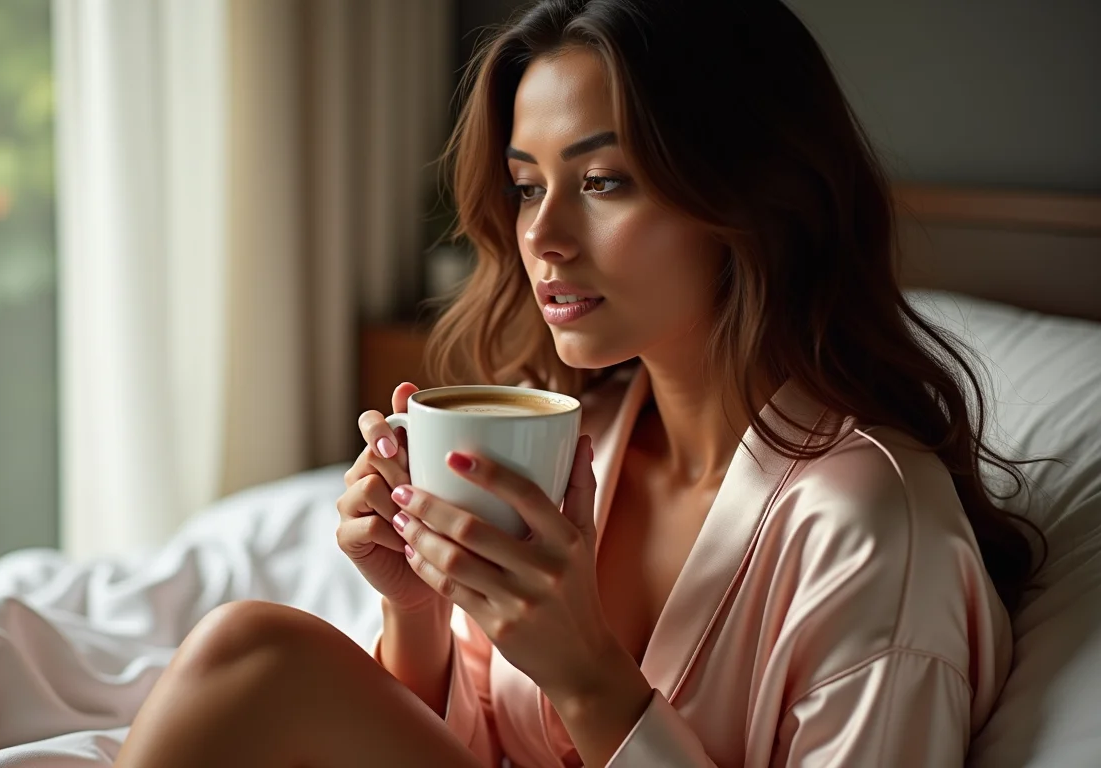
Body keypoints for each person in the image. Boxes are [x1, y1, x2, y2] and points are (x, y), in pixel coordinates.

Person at [115, 1, 1043, 765]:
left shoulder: (873, 526)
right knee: (249, 650)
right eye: (526, 186)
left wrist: (590, 674)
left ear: (752, 197)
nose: (543, 237)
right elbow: (463, 742)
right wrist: (417, 611)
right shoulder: (573, 443)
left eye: (602, 181)